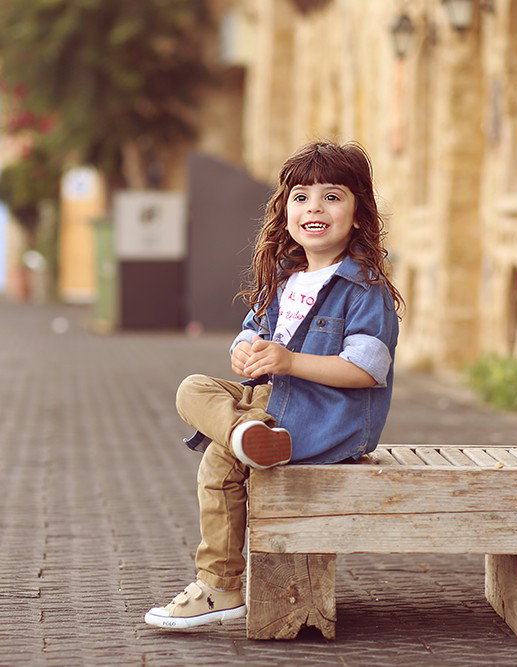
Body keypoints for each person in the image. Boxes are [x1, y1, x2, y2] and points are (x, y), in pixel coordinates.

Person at [144, 141, 403, 630]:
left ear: (359, 213)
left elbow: (367, 370)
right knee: (192, 388)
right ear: (285, 211)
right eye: (302, 197)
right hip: (270, 403)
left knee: (219, 460)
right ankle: (248, 435)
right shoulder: (285, 278)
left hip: (324, 418)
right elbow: (253, 333)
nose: (315, 208)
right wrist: (244, 350)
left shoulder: (363, 288)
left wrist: (290, 361)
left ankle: (219, 588)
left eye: (332, 197)